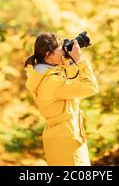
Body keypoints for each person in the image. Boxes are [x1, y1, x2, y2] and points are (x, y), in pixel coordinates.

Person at [24, 32, 99, 166]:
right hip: (67, 141)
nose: (63, 52)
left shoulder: (43, 75)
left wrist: (68, 60)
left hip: (61, 137)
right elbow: (91, 87)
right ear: (48, 54)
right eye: (60, 50)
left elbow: (71, 80)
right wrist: (80, 61)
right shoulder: (52, 82)